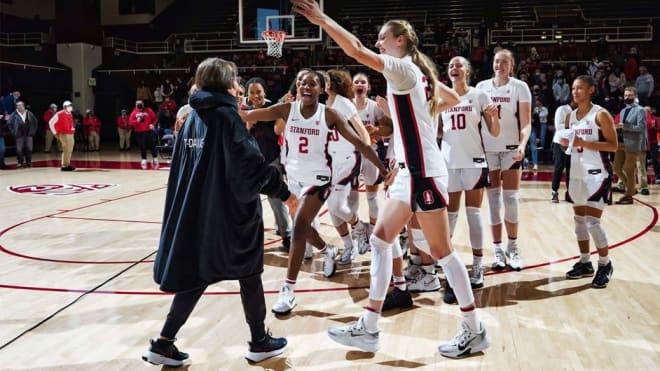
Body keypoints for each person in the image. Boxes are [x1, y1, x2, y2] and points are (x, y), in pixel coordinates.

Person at [293, 1, 490, 358]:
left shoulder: (403, 68)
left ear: (400, 39)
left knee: (442, 252)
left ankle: (474, 328)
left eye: (383, 37)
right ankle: (369, 327)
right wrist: (406, 120)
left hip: (423, 172)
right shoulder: (419, 72)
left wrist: (321, 19)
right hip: (412, 170)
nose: (378, 42)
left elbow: (355, 50)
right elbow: (449, 97)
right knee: (382, 240)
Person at [142, 58, 297, 367]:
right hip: (230, 216)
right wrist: (286, 193)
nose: (239, 87)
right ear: (227, 84)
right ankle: (259, 341)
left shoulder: (193, 118)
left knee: (197, 276)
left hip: (200, 214)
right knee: (250, 274)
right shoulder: (226, 117)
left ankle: (163, 343)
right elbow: (251, 170)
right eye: (236, 81)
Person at [239, 71, 388, 316]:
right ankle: (328, 250)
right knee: (304, 227)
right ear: (297, 87)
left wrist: (383, 169)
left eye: (312, 83)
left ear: (322, 89)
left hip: (319, 178)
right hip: (294, 177)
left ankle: (288, 290)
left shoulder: (329, 114)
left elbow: (360, 143)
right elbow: (247, 114)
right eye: (302, 83)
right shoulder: (287, 109)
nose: (306, 86)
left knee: (298, 226)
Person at [441, 56, 500, 294]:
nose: (454, 67)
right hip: (448, 162)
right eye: (451, 65)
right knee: (450, 216)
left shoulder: (479, 95)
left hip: (474, 162)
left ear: (467, 70)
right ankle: (445, 262)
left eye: (459, 64)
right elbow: (434, 131)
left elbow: (494, 133)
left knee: (473, 214)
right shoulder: (441, 96)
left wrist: (494, 116)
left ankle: (477, 265)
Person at [475, 49, 532, 271]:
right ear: (492, 64)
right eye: (497, 61)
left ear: (512, 65)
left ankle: (513, 246)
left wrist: (522, 145)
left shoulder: (520, 87)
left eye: (505, 62)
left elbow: (526, 122)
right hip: (488, 151)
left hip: (511, 150)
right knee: (493, 201)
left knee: (511, 199)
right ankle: (497, 249)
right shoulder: (481, 88)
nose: (500, 65)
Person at [558, 75, 617, 288]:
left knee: (593, 222)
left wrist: (585, 143)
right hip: (576, 173)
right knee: (579, 222)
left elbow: (613, 146)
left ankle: (605, 263)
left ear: (591, 90)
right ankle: (585, 262)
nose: (575, 91)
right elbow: (571, 146)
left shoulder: (601, 114)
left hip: (597, 173)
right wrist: (566, 143)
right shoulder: (570, 116)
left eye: (580, 88)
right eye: (573, 88)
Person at [322, 69, 372, 269]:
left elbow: (362, 133)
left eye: (324, 80)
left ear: (332, 83)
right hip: (331, 161)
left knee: (335, 205)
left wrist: (367, 156)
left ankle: (361, 227)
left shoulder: (344, 103)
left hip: (349, 157)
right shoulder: (325, 105)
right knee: (334, 207)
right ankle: (348, 245)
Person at [244, 77, 292, 251]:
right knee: (251, 200)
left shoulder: (272, 110)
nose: (256, 95)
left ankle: (287, 235)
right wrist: (248, 126)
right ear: (247, 94)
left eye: (259, 91)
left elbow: (276, 133)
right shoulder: (246, 111)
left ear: (264, 92)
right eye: (252, 92)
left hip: (271, 160)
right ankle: (257, 234)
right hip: (251, 163)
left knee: (276, 199)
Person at [613, 87, 647, 204]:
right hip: (621, 142)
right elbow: (622, 126)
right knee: (616, 168)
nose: (628, 97)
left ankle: (628, 195)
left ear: (635, 96)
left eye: (630, 95)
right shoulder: (623, 111)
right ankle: (632, 189)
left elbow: (641, 128)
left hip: (633, 144)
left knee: (628, 168)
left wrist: (624, 126)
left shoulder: (640, 110)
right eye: (626, 95)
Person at [551, 101, 576, 202]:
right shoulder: (562, 109)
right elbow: (558, 126)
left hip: (573, 142)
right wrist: (574, 126)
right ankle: (554, 192)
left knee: (571, 168)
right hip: (560, 142)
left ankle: (570, 193)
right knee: (559, 166)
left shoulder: (580, 111)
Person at [7, 101, 38, 168]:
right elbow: (9, 123)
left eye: (20, 105)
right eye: (17, 105)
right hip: (19, 134)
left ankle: (28, 162)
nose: (19, 106)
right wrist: (13, 132)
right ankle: (20, 162)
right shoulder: (14, 114)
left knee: (29, 149)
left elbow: (35, 122)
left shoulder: (29, 113)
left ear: (23, 106)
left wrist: (33, 131)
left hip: (28, 134)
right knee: (19, 150)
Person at [129, 100, 159, 169]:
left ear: (143, 104)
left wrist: (153, 124)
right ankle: (144, 160)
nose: (140, 108)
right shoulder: (134, 112)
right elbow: (131, 122)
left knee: (152, 145)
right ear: (136, 105)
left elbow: (155, 118)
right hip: (139, 132)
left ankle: (155, 159)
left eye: (141, 105)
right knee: (142, 146)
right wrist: (137, 121)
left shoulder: (148, 110)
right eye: (138, 105)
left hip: (148, 131)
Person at [48, 100, 76, 171]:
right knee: (66, 149)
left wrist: (72, 128)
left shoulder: (69, 114)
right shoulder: (59, 114)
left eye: (71, 106)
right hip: (64, 134)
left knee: (69, 150)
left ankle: (67, 164)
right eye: (69, 106)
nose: (70, 107)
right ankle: (64, 165)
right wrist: (54, 133)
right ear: (64, 107)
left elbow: (70, 123)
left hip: (70, 133)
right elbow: (51, 123)